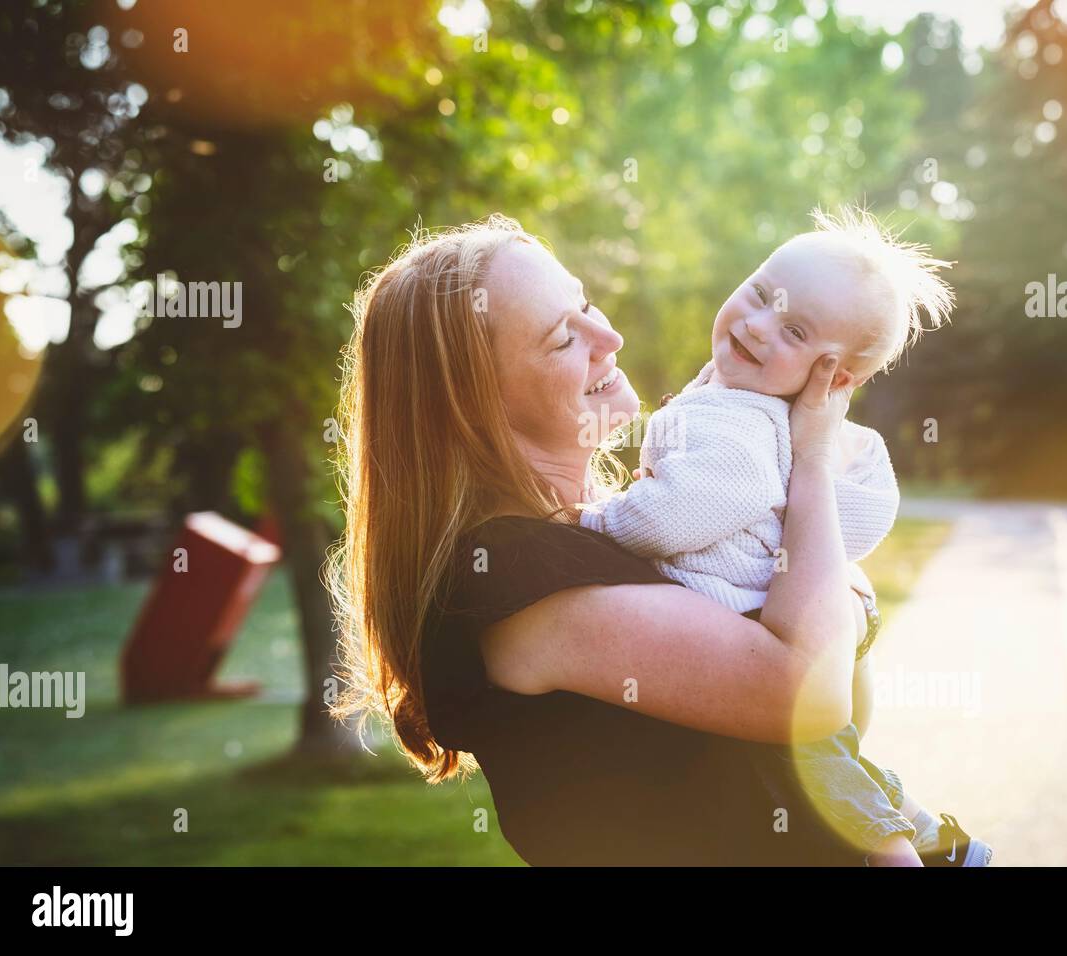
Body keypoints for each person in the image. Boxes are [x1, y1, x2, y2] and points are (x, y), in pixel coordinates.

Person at [330, 214, 902, 864]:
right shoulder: (519, 582)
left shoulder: (620, 525)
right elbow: (813, 698)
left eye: (586, 303)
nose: (609, 336)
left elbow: (840, 726)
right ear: (474, 407)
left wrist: (842, 601)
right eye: (560, 339)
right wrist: (815, 461)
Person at [577, 206, 992, 866]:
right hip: (778, 630)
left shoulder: (738, 425)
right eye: (761, 294)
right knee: (832, 766)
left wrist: (593, 517)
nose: (758, 325)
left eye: (794, 330)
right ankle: (927, 832)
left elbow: (669, 517)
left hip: (744, 630)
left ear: (834, 379)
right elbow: (857, 519)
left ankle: (900, 852)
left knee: (821, 787)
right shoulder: (748, 406)